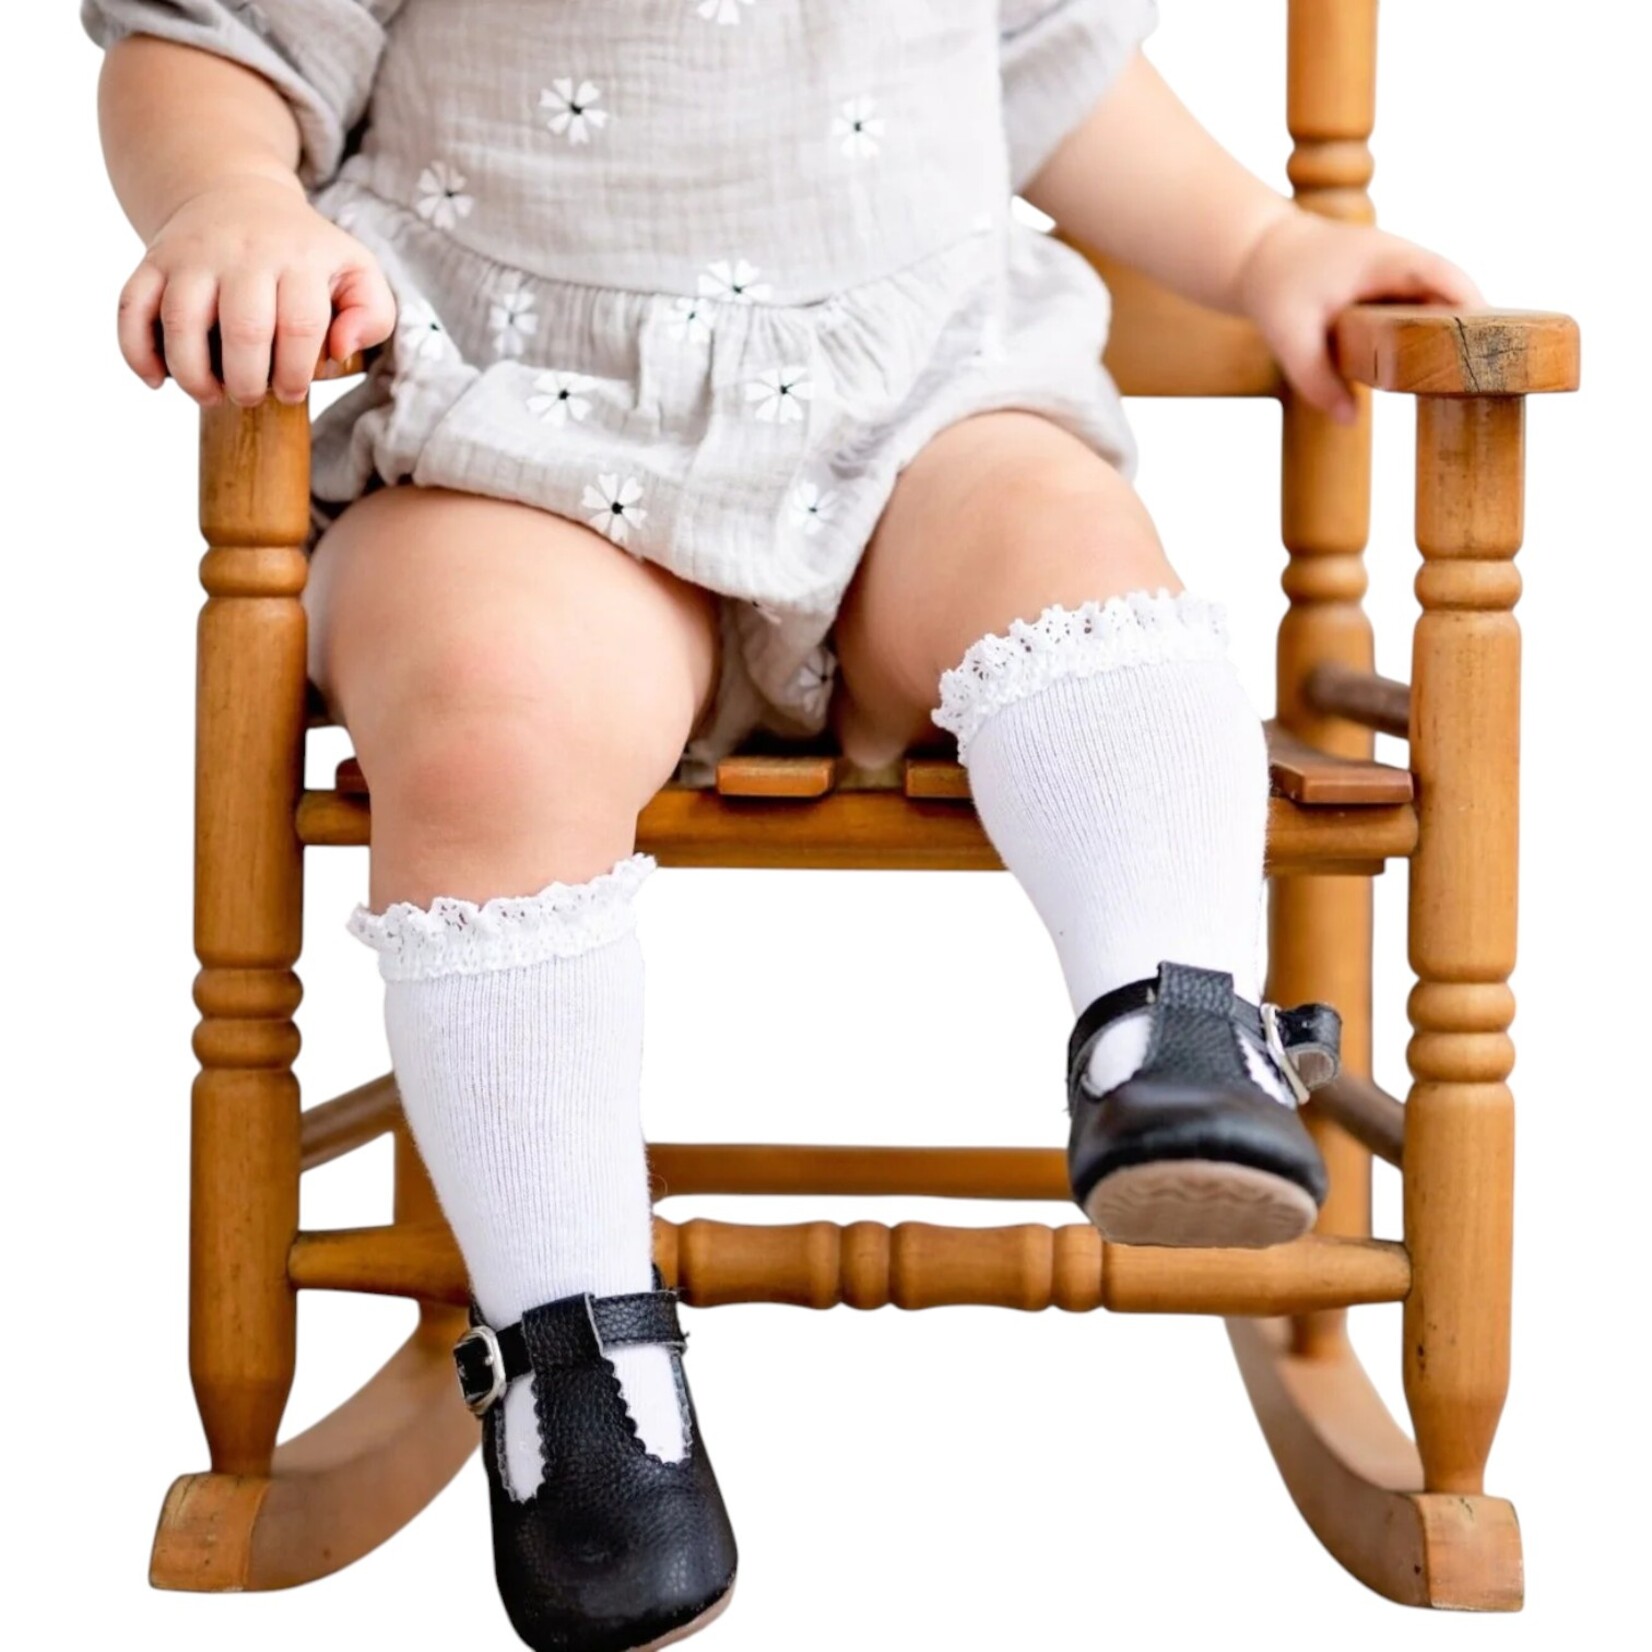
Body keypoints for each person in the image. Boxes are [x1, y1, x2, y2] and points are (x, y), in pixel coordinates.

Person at [84, 4, 1481, 1647]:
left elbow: (1052, 74)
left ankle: (1165, 1025)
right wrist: (230, 194)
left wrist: (1262, 245)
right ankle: (582, 1373)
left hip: (921, 409)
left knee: (1065, 547)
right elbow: (218, 37)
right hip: (511, 426)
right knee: (482, 705)